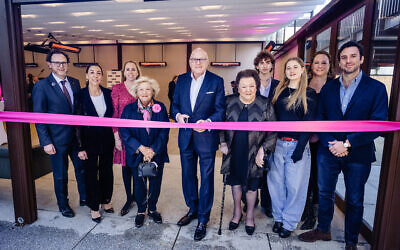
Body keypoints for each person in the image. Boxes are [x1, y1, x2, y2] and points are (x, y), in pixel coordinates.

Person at [298, 41, 388, 250]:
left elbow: (378, 124)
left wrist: (347, 143)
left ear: (362, 59)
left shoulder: (376, 88)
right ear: (339, 61)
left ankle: (351, 240)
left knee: (355, 198)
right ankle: (323, 229)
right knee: (324, 192)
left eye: (353, 56)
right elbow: (320, 118)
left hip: (359, 153)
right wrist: (332, 143)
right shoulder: (329, 88)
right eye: (344, 57)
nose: (348, 61)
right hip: (328, 150)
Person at [171, 47, 225, 241]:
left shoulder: (216, 81)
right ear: (190, 61)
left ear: (207, 61)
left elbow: (220, 110)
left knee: (206, 177)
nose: (198, 62)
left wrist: (209, 122)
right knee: (187, 175)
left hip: (206, 138)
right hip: (185, 136)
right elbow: (174, 105)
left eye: (202, 59)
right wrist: (178, 116)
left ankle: (203, 218)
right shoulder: (182, 80)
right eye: (195, 59)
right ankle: (193, 209)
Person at [220, 69, 277, 235]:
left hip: (254, 152)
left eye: (252, 86)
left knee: (252, 186)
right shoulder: (228, 101)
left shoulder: (265, 103)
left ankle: (250, 216)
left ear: (257, 86)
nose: (248, 89)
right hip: (234, 151)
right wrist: (222, 142)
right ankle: (237, 213)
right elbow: (220, 124)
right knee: (236, 183)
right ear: (237, 87)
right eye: (244, 86)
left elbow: (273, 131)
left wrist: (263, 150)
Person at [33, 50, 86, 218]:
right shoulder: (41, 86)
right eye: (57, 63)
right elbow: (39, 117)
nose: (62, 66)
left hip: (76, 138)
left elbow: (78, 110)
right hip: (56, 140)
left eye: (64, 63)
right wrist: (45, 142)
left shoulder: (75, 82)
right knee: (60, 175)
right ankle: (63, 205)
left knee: (82, 169)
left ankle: (84, 198)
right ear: (49, 65)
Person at [268, 57, 317, 238]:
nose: (292, 70)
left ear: (303, 69)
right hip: (278, 144)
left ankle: (289, 223)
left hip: (298, 146)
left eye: (295, 67)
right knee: (276, 184)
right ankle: (279, 218)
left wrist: (299, 148)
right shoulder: (278, 91)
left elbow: (309, 123)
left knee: (295, 187)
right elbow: (272, 119)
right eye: (288, 68)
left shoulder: (309, 94)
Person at [120, 76, 169, 228]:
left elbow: (164, 131)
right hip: (137, 153)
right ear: (136, 92)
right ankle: (141, 211)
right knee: (139, 184)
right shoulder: (128, 109)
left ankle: (153, 209)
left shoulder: (160, 107)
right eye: (141, 89)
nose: (144, 92)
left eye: (148, 89)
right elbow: (124, 131)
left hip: (156, 153)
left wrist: (153, 150)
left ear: (153, 91)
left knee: (155, 183)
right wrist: (141, 148)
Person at [77, 64, 115, 223]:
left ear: (102, 76)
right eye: (92, 72)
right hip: (88, 141)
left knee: (107, 171)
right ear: (86, 76)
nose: (95, 75)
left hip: (106, 139)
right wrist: (80, 147)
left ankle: (106, 201)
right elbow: (76, 121)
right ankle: (94, 207)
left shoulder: (108, 93)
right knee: (91, 173)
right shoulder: (79, 94)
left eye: (98, 73)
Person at [300, 50, 334, 230]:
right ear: (311, 65)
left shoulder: (334, 86)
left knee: (321, 180)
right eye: (316, 62)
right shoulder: (303, 84)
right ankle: (306, 212)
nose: (319, 66)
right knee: (307, 177)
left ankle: (317, 215)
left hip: (325, 140)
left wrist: (320, 135)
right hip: (306, 139)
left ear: (329, 66)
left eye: (324, 63)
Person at [111, 61, 141, 216]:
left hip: (140, 134)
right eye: (127, 69)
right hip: (123, 135)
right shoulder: (117, 88)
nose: (130, 72)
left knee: (138, 167)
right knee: (126, 167)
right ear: (124, 72)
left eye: (133, 69)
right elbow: (114, 113)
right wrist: (116, 136)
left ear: (137, 72)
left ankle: (139, 195)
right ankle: (129, 198)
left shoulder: (142, 86)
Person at [253, 49, 280, 217]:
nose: (264, 65)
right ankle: (250, 199)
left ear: (271, 65)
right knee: (253, 168)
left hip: (271, 132)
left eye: (267, 62)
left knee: (269, 169)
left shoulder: (279, 85)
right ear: (256, 65)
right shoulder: (251, 83)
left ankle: (268, 204)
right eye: (261, 62)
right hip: (253, 132)